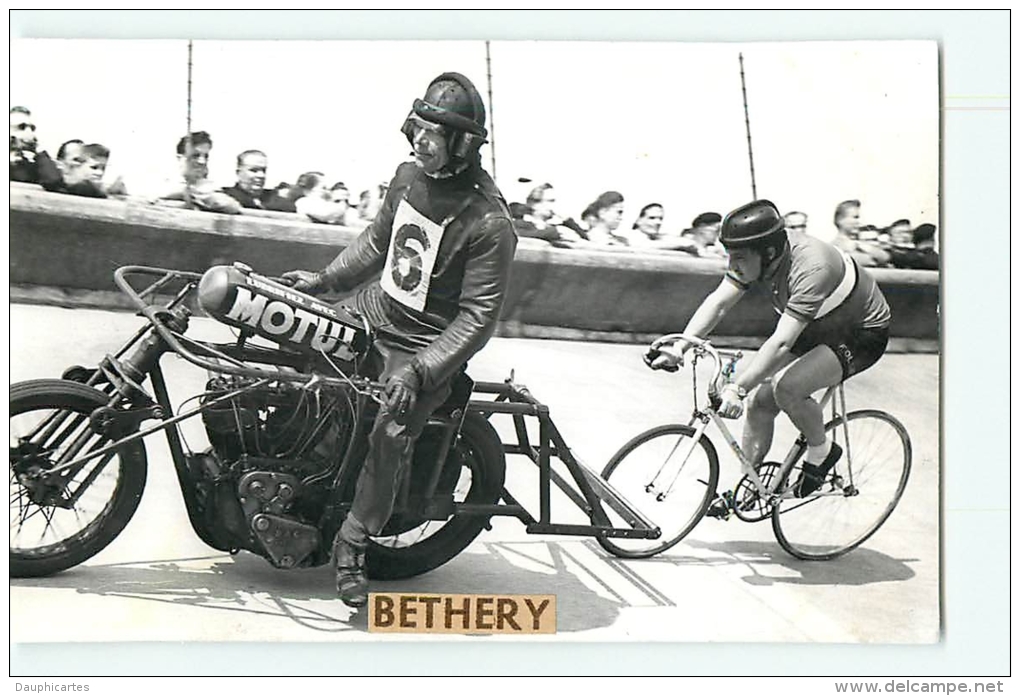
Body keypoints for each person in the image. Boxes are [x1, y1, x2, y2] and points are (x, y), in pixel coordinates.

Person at [281, 71, 517, 608]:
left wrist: (419, 371)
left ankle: (355, 537)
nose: (419, 139)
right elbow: (375, 242)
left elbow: (477, 317)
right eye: (418, 127)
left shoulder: (489, 222)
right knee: (290, 350)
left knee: (391, 427)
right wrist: (324, 282)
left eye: (433, 132)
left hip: (422, 347)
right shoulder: (408, 176)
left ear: (463, 142)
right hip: (373, 309)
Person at [648, 199, 891, 512]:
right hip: (818, 322)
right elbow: (719, 303)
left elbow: (779, 343)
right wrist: (679, 346)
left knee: (788, 388)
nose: (732, 264)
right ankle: (748, 488)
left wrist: (737, 388)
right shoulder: (758, 254)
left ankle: (821, 452)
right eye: (729, 255)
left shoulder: (813, 266)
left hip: (860, 332)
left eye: (739, 257)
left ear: (770, 254)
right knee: (760, 403)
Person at [153, 131, 241, 214]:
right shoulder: (164, 181)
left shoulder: (206, 186)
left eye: (205, 156)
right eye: (195, 156)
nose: (202, 161)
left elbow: (232, 207)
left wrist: (196, 193)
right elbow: (154, 198)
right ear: (180, 158)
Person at [512, 183, 584, 245]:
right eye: (551, 201)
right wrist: (555, 233)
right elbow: (517, 234)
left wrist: (568, 221)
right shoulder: (519, 224)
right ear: (535, 204)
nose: (555, 206)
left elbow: (586, 239)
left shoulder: (555, 226)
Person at [10, 106, 60, 185]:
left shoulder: (31, 166)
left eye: (32, 128)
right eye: (21, 127)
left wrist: (40, 153)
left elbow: (54, 180)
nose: (30, 133)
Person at [831, 199, 889, 267]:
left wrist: (861, 246)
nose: (859, 222)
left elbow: (885, 257)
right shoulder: (834, 247)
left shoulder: (864, 242)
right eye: (855, 217)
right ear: (840, 220)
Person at [627, 203, 700, 252]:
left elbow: (690, 243)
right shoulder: (631, 236)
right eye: (652, 218)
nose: (658, 222)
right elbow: (644, 246)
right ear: (638, 220)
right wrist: (680, 245)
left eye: (660, 219)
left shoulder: (658, 237)